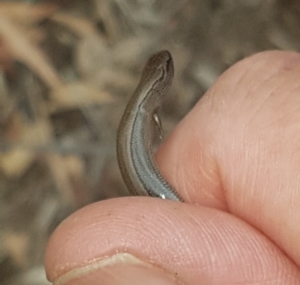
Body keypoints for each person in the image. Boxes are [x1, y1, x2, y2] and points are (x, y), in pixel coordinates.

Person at [44, 51, 300, 284]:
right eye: (165, 72)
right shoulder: (145, 106)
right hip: (159, 197)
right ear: (158, 83)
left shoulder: (145, 107)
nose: (169, 69)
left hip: (162, 199)